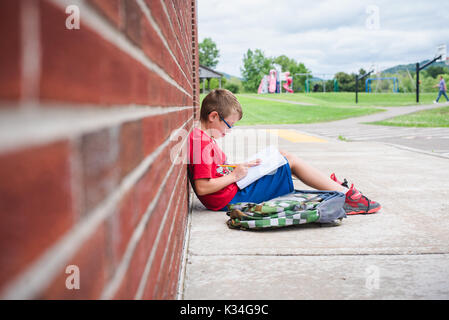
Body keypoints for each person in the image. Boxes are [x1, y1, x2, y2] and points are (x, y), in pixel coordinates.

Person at [188, 89, 381, 215]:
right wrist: (235, 176)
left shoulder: (204, 139)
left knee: (280, 156)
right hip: (229, 198)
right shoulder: (201, 142)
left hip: (233, 189)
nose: (229, 130)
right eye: (229, 125)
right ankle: (347, 196)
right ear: (214, 116)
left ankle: (334, 187)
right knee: (290, 161)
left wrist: (240, 167)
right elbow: (203, 188)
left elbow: (217, 170)